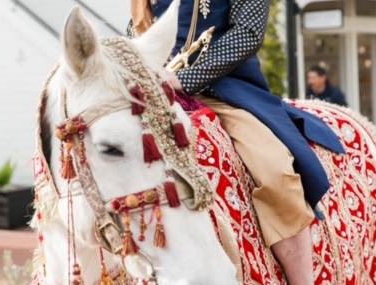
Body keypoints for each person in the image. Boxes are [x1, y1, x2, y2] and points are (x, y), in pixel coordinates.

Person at [129, 0, 345, 284]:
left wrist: (186, 78)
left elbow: (248, 32)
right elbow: (138, 37)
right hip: (156, 97)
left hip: (224, 92)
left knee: (275, 172)